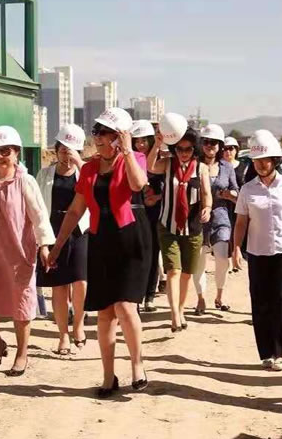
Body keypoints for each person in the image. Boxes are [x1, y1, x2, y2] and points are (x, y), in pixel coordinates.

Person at [48, 107, 150, 398]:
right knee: (105, 312)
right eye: (97, 131)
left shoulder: (135, 158)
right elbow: (75, 210)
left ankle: (137, 366)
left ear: (120, 136)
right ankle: (108, 376)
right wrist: (57, 246)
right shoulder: (90, 168)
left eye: (106, 132)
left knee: (125, 306)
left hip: (131, 238)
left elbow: (138, 184)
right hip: (101, 240)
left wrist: (127, 151)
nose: (98, 137)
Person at [0, 125, 54, 376]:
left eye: (6, 151)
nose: (0, 156)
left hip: (19, 255)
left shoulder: (26, 182)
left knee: (21, 306)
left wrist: (44, 246)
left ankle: (22, 354)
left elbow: (39, 216)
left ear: (16, 152)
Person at [231, 130, 282, 372]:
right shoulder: (247, 190)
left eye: (265, 160)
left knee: (281, 300)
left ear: (275, 160)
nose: (261, 165)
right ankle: (266, 353)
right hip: (257, 253)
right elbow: (241, 222)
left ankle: (280, 352)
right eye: (256, 161)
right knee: (260, 302)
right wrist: (236, 249)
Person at [148, 116, 212, 332]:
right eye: (180, 148)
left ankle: (181, 308)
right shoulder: (167, 164)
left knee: (186, 273)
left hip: (193, 229)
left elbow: (206, 194)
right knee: (173, 271)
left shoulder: (201, 168)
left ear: (194, 149)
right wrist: (157, 144)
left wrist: (207, 208)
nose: (184, 152)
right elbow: (149, 166)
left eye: (188, 149)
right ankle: (174, 313)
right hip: (168, 226)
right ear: (174, 148)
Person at [35, 123, 89, 354]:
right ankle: (63, 335)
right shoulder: (45, 174)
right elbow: (38, 209)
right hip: (53, 230)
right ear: (56, 150)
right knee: (58, 286)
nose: (66, 154)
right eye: (62, 149)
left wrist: (79, 164)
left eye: (71, 149)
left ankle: (78, 325)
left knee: (81, 281)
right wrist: (42, 243)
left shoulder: (84, 172)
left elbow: (96, 188)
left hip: (79, 231)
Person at [192, 124, 238, 313]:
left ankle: (220, 295)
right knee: (199, 262)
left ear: (220, 146)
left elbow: (237, 192)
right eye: (206, 142)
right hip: (197, 219)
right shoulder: (193, 165)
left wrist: (229, 195)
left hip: (221, 218)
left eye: (214, 142)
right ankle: (200, 299)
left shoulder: (227, 167)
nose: (210, 146)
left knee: (222, 258)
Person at [131, 119, 164, 312]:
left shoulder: (162, 160)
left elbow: (170, 188)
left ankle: (150, 296)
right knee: (136, 255)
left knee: (152, 253)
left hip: (155, 213)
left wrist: (157, 197)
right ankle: (136, 296)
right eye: (137, 140)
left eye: (144, 140)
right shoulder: (130, 160)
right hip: (136, 211)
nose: (140, 144)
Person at [222, 136, 246, 272]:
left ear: (236, 150)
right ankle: (228, 261)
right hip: (223, 205)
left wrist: (234, 196)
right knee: (225, 231)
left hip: (239, 204)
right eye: (225, 149)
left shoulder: (243, 167)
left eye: (231, 149)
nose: (228, 152)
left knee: (237, 230)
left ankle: (237, 257)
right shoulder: (219, 167)